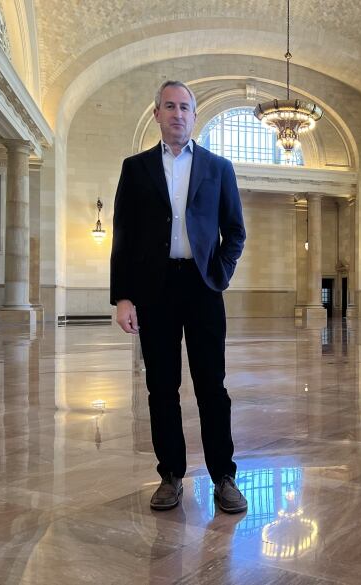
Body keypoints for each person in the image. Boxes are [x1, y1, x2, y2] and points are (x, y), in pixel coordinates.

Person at [110, 80, 247, 513]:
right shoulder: (136, 168)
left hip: (202, 287)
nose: (177, 114)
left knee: (212, 386)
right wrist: (124, 297)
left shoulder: (218, 168)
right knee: (161, 387)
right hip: (155, 289)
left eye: (185, 107)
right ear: (157, 114)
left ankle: (224, 477)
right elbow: (124, 236)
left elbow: (235, 231)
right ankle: (170, 475)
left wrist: (218, 274)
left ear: (194, 114)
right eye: (169, 106)